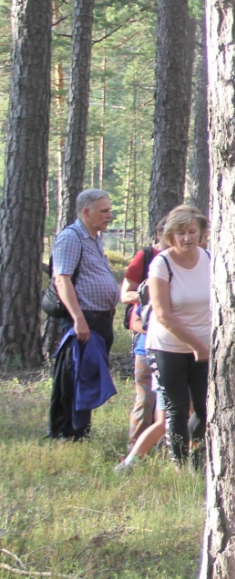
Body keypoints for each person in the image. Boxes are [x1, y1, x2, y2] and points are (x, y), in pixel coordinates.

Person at [139, 204, 212, 465]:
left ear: (202, 233)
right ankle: (179, 468)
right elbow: (162, 314)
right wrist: (197, 346)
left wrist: (206, 347)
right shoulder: (162, 264)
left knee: (206, 410)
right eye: (180, 233)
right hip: (168, 346)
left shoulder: (211, 259)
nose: (187, 238)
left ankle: (197, 459)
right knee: (178, 407)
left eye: (192, 231)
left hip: (205, 348)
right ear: (170, 235)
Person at [48, 188, 119, 440]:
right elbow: (62, 280)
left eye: (109, 210)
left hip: (100, 320)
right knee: (74, 376)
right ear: (86, 212)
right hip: (83, 320)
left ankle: (81, 430)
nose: (109, 215)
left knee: (89, 376)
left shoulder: (95, 238)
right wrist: (78, 320)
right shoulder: (71, 238)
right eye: (104, 211)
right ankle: (67, 432)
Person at [121, 222, 165, 447]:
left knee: (168, 404)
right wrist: (150, 296)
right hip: (147, 339)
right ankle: (134, 448)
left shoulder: (190, 259)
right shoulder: (146, 256)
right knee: (145, 398)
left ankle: (168, 449)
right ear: (160, 234)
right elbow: (125, 294)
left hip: (175, 345)